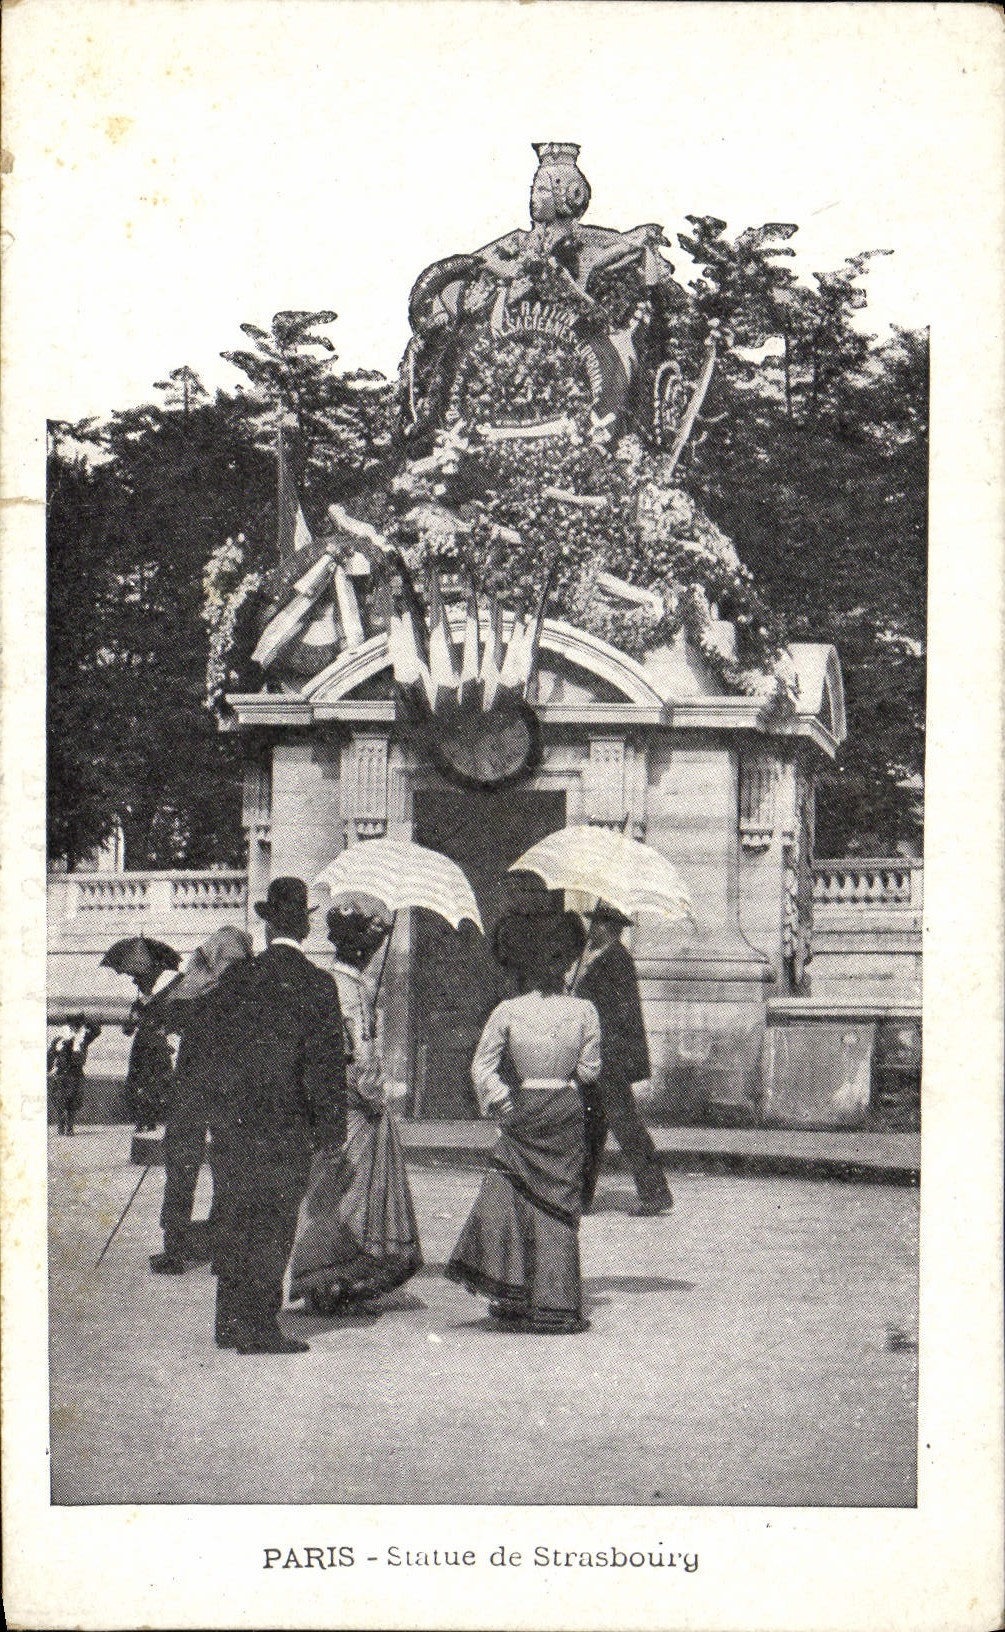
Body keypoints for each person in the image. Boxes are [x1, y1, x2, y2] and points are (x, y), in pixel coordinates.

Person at [202, 878, 348, 1355]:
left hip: (235, 1121)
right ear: (304, 928)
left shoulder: (238, 978)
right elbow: (325, 1065)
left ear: (267, 928)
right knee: (273, 1222)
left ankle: (229, 1322)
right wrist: (331, 1129)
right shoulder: (318, 984)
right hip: (288, 1123)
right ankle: (260, 1327)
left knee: (234, 1215)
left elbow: (213, 1048)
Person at [446, 910, 600, 1335]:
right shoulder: (585, 1010)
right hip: (565, 1106)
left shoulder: (509, 1010)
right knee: (558, 1204)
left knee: (516, 1197)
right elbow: (589, 1072)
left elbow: (482, 1066)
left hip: (525, 1105)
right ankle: (555, 1300)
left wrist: (501, 1100)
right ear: (568, 960)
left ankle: (515, 1293)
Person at [288, 905, 422, 1315]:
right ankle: (329, 1281)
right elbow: (357, 1055)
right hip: (352, 1104)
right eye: (372, 945)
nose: (374, 952)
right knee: (346, 1192)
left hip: (343, 1100)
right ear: (360, 949)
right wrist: (375, 1094)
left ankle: (335, 1280)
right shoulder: (346, 989)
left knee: (339, 1190)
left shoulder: (344, 984)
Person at [149, 927, 254, 1276]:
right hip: (230, 1089)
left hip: (192, 1088)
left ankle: (175, 1247)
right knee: (228, 1167)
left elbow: (161, 1015)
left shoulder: (193, 986)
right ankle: (222, 1245)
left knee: (182, 1166)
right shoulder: (247, 990)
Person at [573, 902, 673, 1217]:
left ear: (609, 928)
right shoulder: (598, 958)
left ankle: (655, 1194)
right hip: (599, 1056)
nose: (591, 929)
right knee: (592, 1126)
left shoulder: (616, 959)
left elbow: (618, 1014)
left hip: (609, 1058)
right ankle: (581, 1197)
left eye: (596, 924)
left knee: (625, 1125)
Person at [123, 967, 177, 1133]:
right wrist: (132, 1020)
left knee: (155, 1081)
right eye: (142, 985)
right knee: (140, 1081)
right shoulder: (137, 1005)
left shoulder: (159, 1002)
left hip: (156, 1046)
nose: (145, 987)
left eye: (147, 984)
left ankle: (152, 1119)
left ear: (152, 985)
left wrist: (162, 1030)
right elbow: (127, 1031)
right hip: (141, 1046)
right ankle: (141, 1119)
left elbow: (168, 1023)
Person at [47, 1014, 101, 1136]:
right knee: (60, 1100)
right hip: (62, 1073)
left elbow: (97, 1031)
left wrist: (87, 1022)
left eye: (77, 1026)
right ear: (69, 1026)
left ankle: (69, 1127)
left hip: (76, 1073)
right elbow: (51, 1053)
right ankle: (61, 1124)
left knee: (73, 1101)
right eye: (73, 1025)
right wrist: (48, 1067)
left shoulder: (83, 1039)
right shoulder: (60, 1039)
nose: (75, 1028)